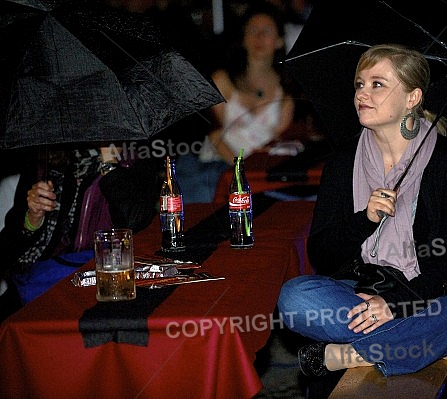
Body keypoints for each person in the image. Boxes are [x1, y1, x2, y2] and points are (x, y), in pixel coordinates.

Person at [277, 44, 447, 387]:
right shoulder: (341, 164)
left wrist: (396, 303)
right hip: (358, 295)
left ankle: (349, 354)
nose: (363, 93)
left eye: (378, 84)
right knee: (295, 298)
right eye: (359, 84)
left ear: (412, 98)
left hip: (431, 297)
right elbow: (321, 254)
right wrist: (364, 218)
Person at [0, 143, 162, 317]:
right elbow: (7, 249)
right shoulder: (45, 161)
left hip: (104, 283)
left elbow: (136, 222)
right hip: (40, 283)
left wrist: (110, 166)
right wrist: (32, 219)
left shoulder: (134, 160)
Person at [177, 2, 295, 203]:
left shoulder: (285, 94)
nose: (258, 38)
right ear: (243, 37)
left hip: (258, 175)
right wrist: (239, 169)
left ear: (278, 41)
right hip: (217, 167)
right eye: (253, 30)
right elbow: (213, 132)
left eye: (266, 31)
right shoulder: (223, 80)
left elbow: (278, 143)